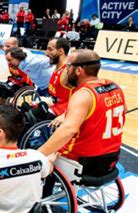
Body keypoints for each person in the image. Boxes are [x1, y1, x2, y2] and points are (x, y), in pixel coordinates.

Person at [39, 49, 125, 178]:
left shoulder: (83, 94)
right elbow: (124, 110)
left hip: (84, 161)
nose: (66, 70)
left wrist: (38, 154)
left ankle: (44, 192)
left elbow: (68, 130)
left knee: (47, 156)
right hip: (112, 157)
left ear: (79, 70)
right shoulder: (114, 86)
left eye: (68, 66)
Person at [44, 38, 77, 126]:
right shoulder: (57, 67)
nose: (46, 52)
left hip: (61, 116)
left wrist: (66, 114)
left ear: (61, 51)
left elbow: (83, 96)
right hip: (53, 109)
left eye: (50, 49)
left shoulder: (67, 71)